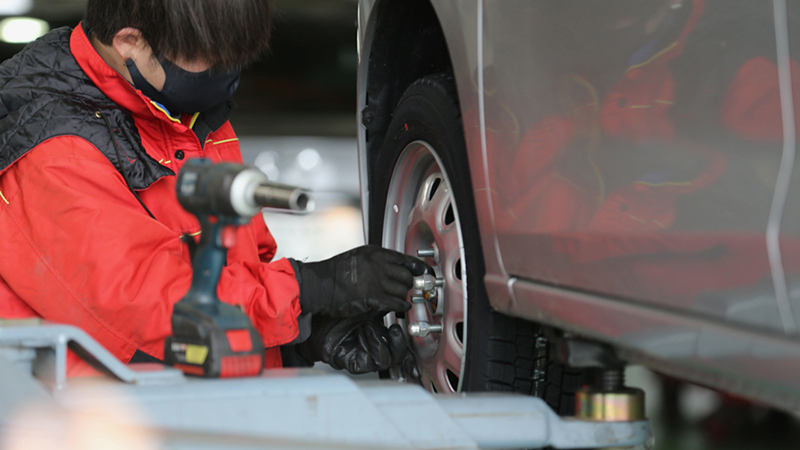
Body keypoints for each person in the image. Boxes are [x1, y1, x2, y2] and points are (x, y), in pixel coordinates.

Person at [0, 0, 428, 377]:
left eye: (235, 55)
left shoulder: (183, 114)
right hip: (78, 421)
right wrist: (312, 288)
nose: (226, 73)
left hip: (172, 401)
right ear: (130, 41)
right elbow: (145, 308)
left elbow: (235, 268)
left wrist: (302, 338)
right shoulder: (55, 148)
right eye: (209, 55)